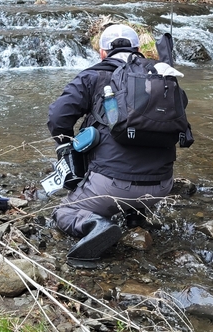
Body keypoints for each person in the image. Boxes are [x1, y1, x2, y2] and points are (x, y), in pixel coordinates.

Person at [47, 24, 180, 261]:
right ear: (139, 49)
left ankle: (96, 224)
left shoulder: (92, 75)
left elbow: (58, 117)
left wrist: (65, 146)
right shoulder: (162, 75)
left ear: (102, 52)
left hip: (111, 186)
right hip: (162, 185)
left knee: (64, 212)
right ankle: (136, 217)